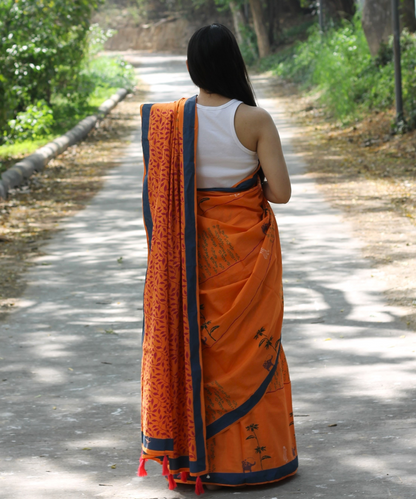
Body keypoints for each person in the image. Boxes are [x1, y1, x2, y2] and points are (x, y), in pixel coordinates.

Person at [138, 23, 298, 494]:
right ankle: (255, 462)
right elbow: (282, 193)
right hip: (245, 256)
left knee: (196, 348)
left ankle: (194, 459)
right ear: (235, 63)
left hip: (189, 260)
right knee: (253, 347)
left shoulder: (169, 121)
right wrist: (245, 193)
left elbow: (160, 196)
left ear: (191, 67)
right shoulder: (255, 120)